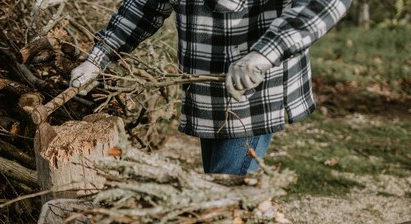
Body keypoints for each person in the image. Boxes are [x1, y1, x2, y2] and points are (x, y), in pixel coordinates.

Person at [70, 0, 351, 176]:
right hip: (207, 94)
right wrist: (98, 58)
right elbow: (144, 7)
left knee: (228, 191)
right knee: (216, 182)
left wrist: (265, 53)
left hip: (256, 94)